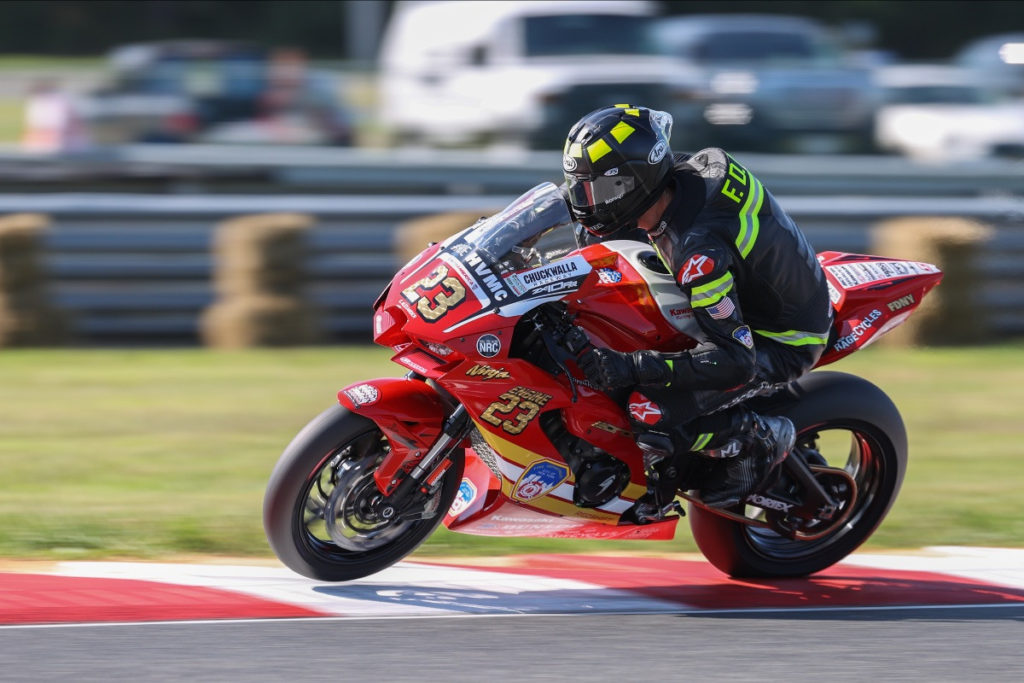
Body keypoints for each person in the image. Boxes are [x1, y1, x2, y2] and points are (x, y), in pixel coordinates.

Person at [563, 104, 834, 509]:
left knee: (643, 409)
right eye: (579, 187)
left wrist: (631, 367)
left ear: (637, 181)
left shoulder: (697, 255)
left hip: (775, 340)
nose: (587, 202)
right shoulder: (678, 178)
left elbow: (735, 361)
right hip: (754, 290)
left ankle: (757, 438)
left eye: (598, 190)